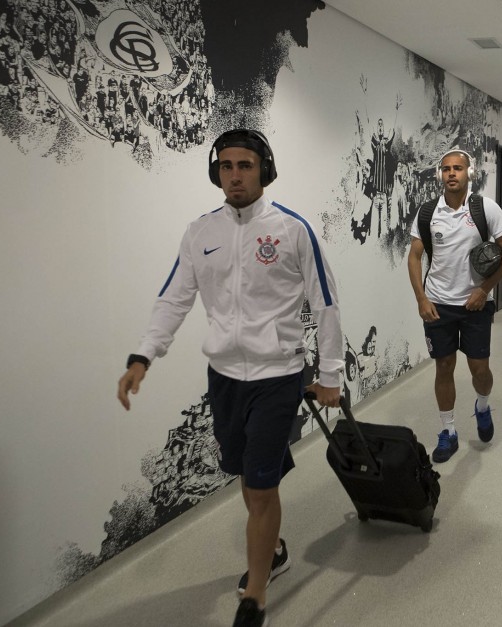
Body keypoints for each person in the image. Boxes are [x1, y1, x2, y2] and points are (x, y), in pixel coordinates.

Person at [116, 128, 344, 627]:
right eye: (225, 166)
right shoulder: (201, 232)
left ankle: (256, 593)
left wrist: (331, 375)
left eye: (244, 165)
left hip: (278, 374)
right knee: (246, 472)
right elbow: (174, 297)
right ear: (215, 172)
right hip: (223, 377)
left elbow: (325, 303)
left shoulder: (292, 230)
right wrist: (143, 355)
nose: (234, 175)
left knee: (260, 487)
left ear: (264, 168)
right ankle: (275, 545)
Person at [406, 149, 502, 463]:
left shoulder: (486, 209)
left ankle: (482, 405)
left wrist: (484, 289)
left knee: (479, 369)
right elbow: (414, 257)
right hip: (438, 304)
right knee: (444, 367)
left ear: (470, 173)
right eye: (446, 169)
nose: (451, 173)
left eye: (458, 168)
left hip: (475, 305)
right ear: (440, 174)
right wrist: (421, 299)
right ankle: (449, 431)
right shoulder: (428, 211)